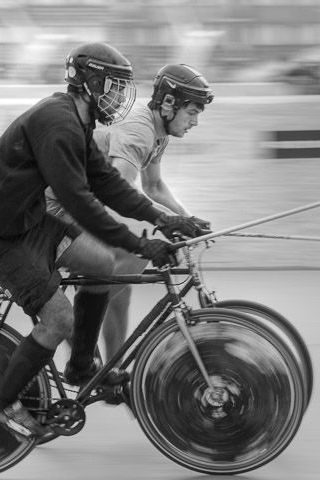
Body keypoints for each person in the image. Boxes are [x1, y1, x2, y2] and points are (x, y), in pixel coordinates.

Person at [0, 42, 207, 441]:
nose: (120, 97)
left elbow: (106, 183)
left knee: (103, 264)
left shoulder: (77, 120)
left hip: (25, 222)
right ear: (90, 83)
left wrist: (164, 219)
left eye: (123, 89)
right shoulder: (58, 124)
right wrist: (140, 246)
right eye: (114, 87)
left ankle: (82, 366)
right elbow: (81, 204)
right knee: (60, 319)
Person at [46, 63, 214, 362]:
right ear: (168, 104)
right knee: (120, 264)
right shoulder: (140, 130)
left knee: (124, 280)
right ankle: (81, 343)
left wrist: (188, 220)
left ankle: (112, 365)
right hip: (56, 204)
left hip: (82, 200)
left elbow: (154, 185)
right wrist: (168, 223)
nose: (196, 122)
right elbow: (121, 190)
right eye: (193, 113)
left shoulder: (158, 132)